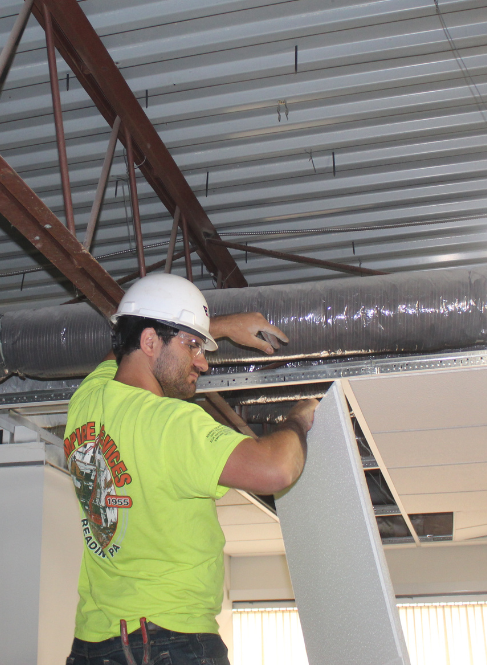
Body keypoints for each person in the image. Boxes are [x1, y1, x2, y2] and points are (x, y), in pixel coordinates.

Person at [64, 274, 319, 665]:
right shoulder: (172, 423)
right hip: (169, 641)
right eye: (193, 346)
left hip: (92, 645)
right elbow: (276, 470)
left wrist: (217, 327)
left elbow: (122, 350)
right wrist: (298, 419)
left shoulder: (87, 399)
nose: (202, 362)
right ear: (151, 342)